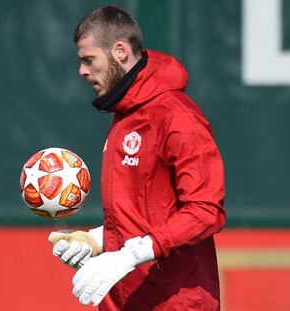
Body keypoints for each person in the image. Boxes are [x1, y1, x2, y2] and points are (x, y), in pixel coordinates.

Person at [49, 6, 226, 310]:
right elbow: (147, 213)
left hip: (175, 303)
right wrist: (97, 240)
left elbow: (205, 210)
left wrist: (129, 255)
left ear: (120, 51)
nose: (82, 71)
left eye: (89, 60)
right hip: (126, 300)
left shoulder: (176, 115)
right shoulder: (124, 114)